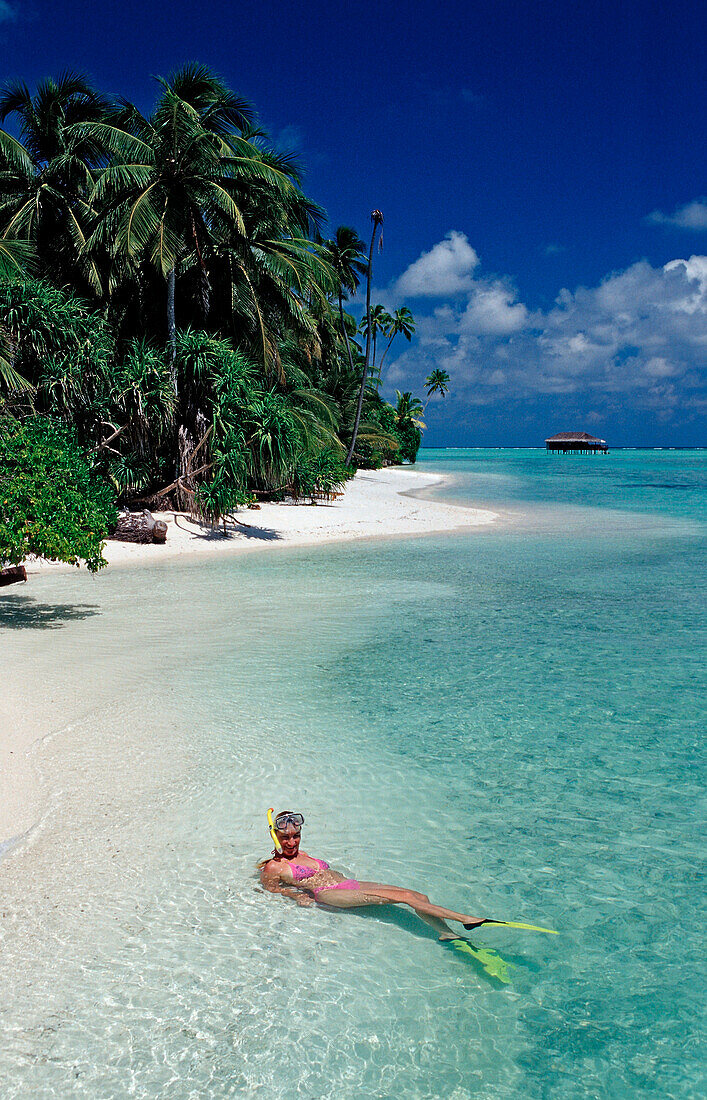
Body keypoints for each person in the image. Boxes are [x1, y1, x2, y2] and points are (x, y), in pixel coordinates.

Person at [259, 809, 487, 941]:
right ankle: (466, 919)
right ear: (275, 836)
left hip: (348, 883)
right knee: (405, 899)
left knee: (417, 895)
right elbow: (272, 888)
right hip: (327, 893)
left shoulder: (304, 853)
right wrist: (296, 896)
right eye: (285, 837)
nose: (291, 842)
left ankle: (445, 933)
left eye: (295, 836)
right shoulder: (274, 867)